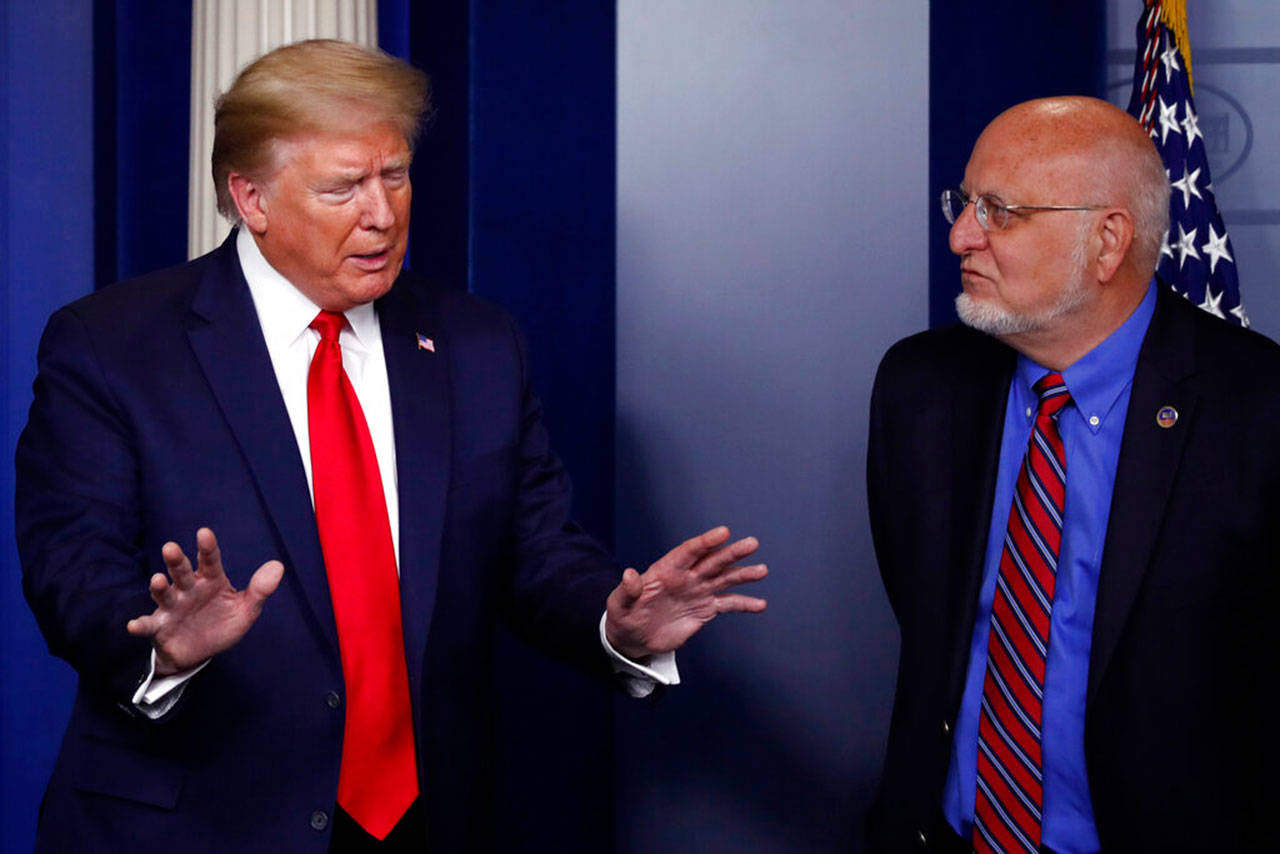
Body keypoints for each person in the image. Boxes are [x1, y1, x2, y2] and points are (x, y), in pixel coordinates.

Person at [15, 40, 767, 853]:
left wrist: (616, 626)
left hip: (430, 824)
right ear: (251, 197)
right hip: (192, 824)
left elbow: (536, 552)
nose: (382, 214)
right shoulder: (113, 344)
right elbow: (70, 565)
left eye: (396, 176)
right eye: (343, 187)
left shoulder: (478, 344)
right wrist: (160, 643)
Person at [866, 96, 1279, 853]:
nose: (960, 235)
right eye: (964, 203)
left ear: (1108, 240)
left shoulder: (1258, 412)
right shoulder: (919, 389)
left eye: (1000, 211)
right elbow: (927, 613)